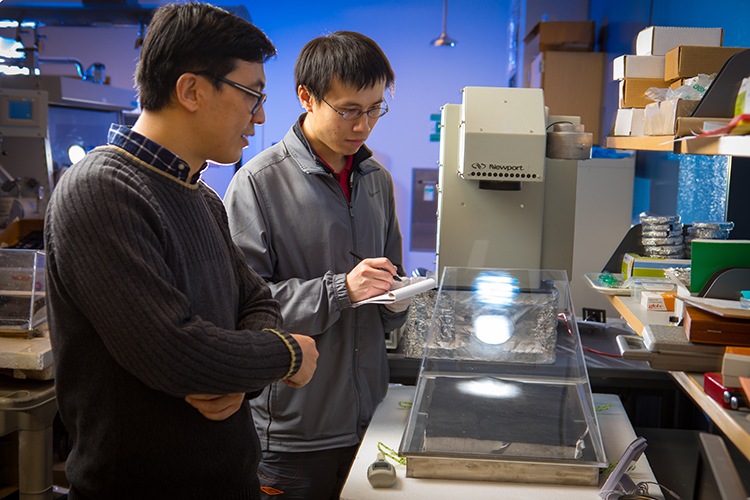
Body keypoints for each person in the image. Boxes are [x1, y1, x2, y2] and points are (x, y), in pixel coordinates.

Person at [43, 3, 318, 499]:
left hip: (228, 481)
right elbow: (174, 351)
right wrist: (287, 353)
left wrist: (234, 375)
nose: (259, 116)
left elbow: (258, 302)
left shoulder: (201, 196)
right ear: (191, 90)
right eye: (252, 94)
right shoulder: (102, 190)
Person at [223, 31, 408, 499]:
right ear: (307, 96)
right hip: (294, 431)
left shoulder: (375, 181)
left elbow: (392, 284)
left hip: (370, 417)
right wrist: (341, 289)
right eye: (348, 110)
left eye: (374, 109)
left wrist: (399, 297)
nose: (363, 125)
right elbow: (242, 308)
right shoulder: (257, 184)